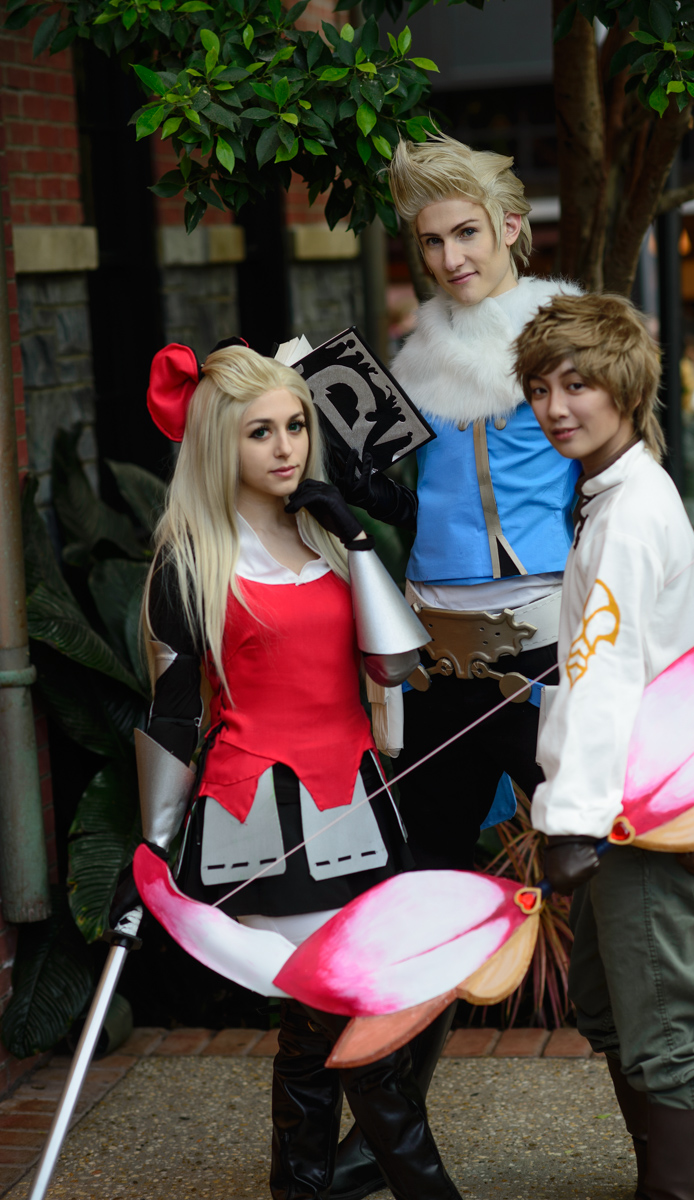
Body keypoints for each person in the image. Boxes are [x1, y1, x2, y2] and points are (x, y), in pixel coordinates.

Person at [115, 343, 464, 1200]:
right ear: (217, 444)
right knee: (359, 1023)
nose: (286, 448)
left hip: (358, 799)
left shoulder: (323, 538)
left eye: (296, 426)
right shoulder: (191, 561)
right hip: (264, 815)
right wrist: (151, 848)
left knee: (318, 1028)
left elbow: (394, 664)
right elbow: (172, 713)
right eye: (260, 432)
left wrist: (355, 536)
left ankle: (299, 1185)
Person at [330, 131, 582, 1200]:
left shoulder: (564, 336)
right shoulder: (410, 354)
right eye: (430, 241)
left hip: (546, 645)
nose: (450, 258)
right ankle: (387, 1136)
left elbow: (613, 477)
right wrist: (360, 494)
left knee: (599, 875)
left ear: (511, 228)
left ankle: (662, 1111)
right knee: (421, 889)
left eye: (466, 233)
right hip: (438, 656)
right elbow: (408, 494)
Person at [515, 293, 694, 1200]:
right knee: (608, 1007)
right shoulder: (613, 495)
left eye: (576, 385)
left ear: (626, 388)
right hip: (621, 803)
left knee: (659, 1030)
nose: (554, 408)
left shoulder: (629, 512)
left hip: (634, 810)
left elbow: (602, 681)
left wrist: (567, 822)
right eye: (538, 389)